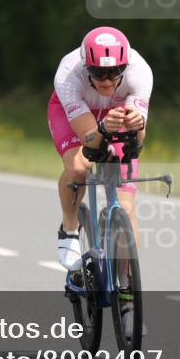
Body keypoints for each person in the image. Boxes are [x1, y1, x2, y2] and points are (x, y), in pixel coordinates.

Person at [48, 26, 151, 273]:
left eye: (115, 72)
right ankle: (69, 227)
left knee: (126, 207)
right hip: (75, 114)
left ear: (124, 67)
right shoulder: (68, 73)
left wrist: (137, 126)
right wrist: (103, 128)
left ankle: (126, 282)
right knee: (79, 166)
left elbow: (137, 142)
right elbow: (89, 139)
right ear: (85, 67)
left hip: (115, 115)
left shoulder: (140, 72)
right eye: (98, 73)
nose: (107, 80)